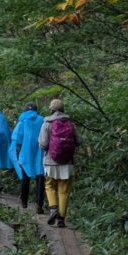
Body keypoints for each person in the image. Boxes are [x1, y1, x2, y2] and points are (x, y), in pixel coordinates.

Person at [38, 98, 82, 228]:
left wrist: (50, 149)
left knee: (49, 185)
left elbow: (43, 143)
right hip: (67, 163)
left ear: (51, 109)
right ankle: (61, 219)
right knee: (64, 191)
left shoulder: (46, 123)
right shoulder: (70, 124)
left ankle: (53, 209)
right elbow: (79, 141)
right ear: (63, 109)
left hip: (50, 161)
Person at [9, 102, 46, 213]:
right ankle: (39, 205)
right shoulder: (42, 120)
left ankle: (24, 202)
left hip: (26, 152)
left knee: (26, 178)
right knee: (40, 179)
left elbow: (18, 138)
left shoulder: (22, 121)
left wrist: (17, 153)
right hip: (40, 152)